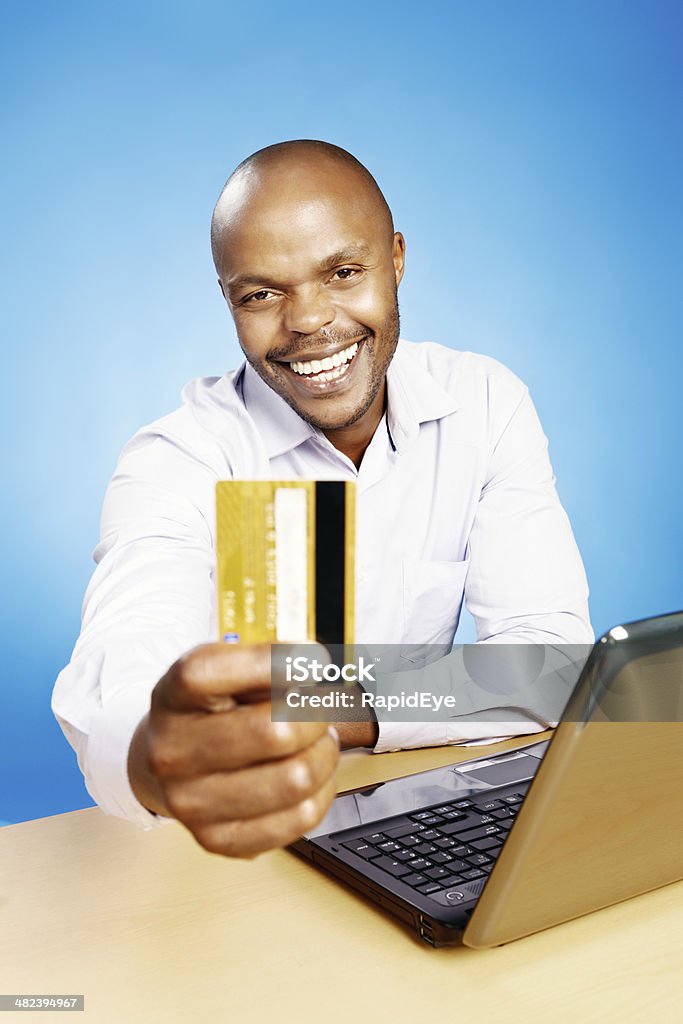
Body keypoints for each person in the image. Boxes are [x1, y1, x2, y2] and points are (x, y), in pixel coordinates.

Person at [53, 140, 592, 859]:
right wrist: (160, 750)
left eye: (342, 272)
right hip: (224, 845)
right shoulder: (181, 458)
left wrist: (313, 704)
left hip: (415, 805)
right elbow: (119, 682)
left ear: (395, 259)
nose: (307, 321)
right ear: (229, 300)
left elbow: (553, 666)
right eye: (261, 293)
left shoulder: (483, 405)